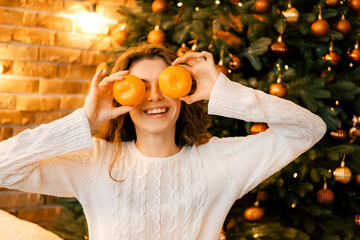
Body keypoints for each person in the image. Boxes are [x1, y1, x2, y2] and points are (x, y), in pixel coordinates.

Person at [0, 43, 326, 240]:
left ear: (181, 91)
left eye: (164, 84)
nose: (154, 96)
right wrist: (85, 118)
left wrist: (224, 92)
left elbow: (308, 129)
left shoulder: (220, 162)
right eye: (140, 86)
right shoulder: (94, 162)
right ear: (121, 97)